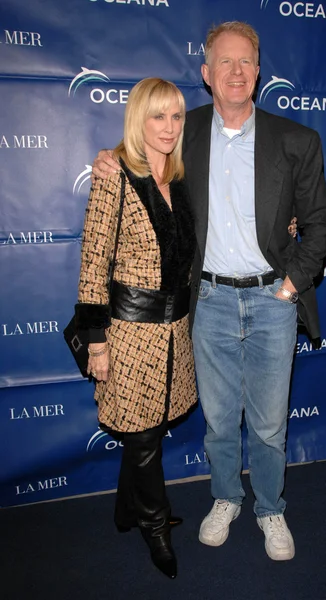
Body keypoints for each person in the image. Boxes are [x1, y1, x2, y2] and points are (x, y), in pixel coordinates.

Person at [92, 22, 326, 561]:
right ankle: (225, 497)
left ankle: (270, 508)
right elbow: (139, 150)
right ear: (206, 73)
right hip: (209, 302)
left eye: (245, 61)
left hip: (274, 300)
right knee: (221, 420)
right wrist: (107, 159)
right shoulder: (186, 132)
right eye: (223, 62)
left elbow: (320, 225)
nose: (235, 71)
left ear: (257, 71)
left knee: (270, 424)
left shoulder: (297, 141)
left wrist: (292, 284)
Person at [76, 78, 197, 579]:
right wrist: (96, 340)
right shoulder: (115, 175)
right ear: (138, 119)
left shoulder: (182, 175)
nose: (168, 128)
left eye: (176, 117)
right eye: (157, 116)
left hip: (175, 331)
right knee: (145, 435)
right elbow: (92, 260)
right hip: (129, 334)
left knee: (146, 430)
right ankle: (154, 526)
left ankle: (127, 509)